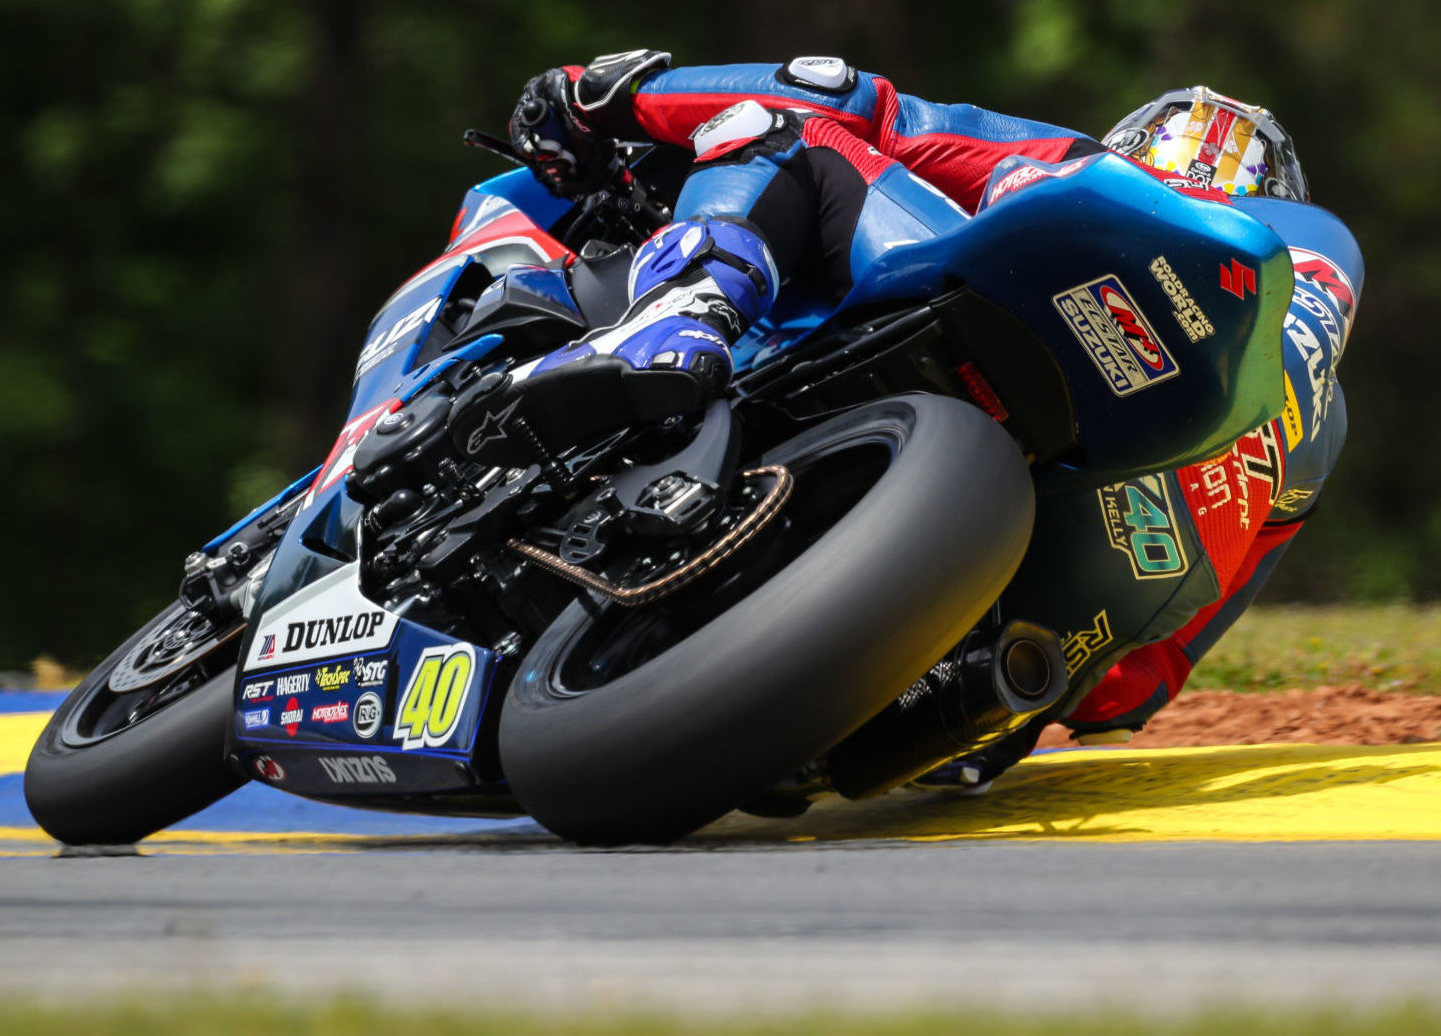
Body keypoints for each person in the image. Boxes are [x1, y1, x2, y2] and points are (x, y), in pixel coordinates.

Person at [495, 53, 1363, 789]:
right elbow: (1141, 686)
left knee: (787, 132)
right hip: (1055, 629)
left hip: (1015, 357)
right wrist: (1073, 684)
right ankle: (949, 704)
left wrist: (604, 97)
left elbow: (839, 94)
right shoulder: (1316, 428)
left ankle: (685, 312)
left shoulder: (1073, 167)